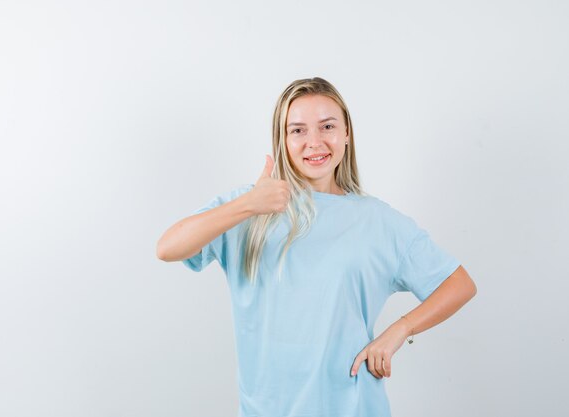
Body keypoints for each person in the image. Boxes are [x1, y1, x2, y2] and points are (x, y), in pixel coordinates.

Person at [156, 77, 477, 417]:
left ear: (347, 133)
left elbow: (459, 284)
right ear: (282, 138)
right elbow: (167, 247)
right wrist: (249, 204)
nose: (315, 142)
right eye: (297, 130)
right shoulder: (248, 208)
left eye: (327, 126)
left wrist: (400, 330)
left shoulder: (378, 222)